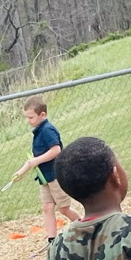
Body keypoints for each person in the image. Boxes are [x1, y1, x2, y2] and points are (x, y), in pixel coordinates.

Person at [13, 96, 80, 249]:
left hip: (55, 175)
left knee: (63, 208)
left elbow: (56, 150)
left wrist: (37, 161)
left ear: (42, 115)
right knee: (47, 207)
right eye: (26, 117)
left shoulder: (47, 130)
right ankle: (52, 241)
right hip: (44, 178)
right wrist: (21, 172)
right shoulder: (38, 131)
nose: (28, 121)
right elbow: (33, 159)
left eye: (31, 117)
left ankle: (84, 226)